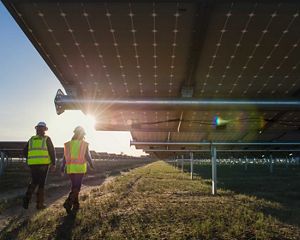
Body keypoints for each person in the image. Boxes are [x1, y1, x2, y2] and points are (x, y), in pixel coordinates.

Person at [61, 126, 95, 214]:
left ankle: (76, 205)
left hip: (70, 168)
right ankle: (68, 203)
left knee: (74, 187)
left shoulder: (68, 144)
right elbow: (87, 155)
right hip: (79, 168)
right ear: (83, 134)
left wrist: (62, 167)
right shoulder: (84, 144)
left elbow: (64, 157)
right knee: (77, 187)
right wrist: (91, 164)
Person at [23, 122, 56, 210]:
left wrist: (30, 159)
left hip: (33, 165)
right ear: (45, 130)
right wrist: (53, 163)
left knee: (34, 181)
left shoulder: (31, 139)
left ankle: (27, 198)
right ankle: (39, 204)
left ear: (37, 129)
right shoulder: (46, 139)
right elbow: (52, 151)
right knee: (41, 184)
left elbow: (24, 151)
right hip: (44, 164)